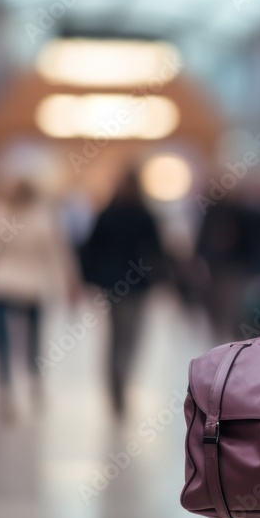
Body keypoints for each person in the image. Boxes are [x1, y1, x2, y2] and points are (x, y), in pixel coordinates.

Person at [0, 178, 80, 419]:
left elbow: (57, 250)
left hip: (26, 285)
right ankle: (10, 388)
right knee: (9, 340)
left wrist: (69, 280)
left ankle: (29, 383)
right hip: (4, 284)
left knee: (28, 340)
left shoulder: (39, 213)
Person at [79, 170, 166, 417]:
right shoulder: (142, 215)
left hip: (118, 284)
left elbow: (90, 250)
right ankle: (120, 381)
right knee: (130, 337)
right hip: (133, 284)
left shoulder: (109, 214)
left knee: (118, 337)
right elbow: (157, 252)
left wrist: (92, 278)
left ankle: (117, 383)